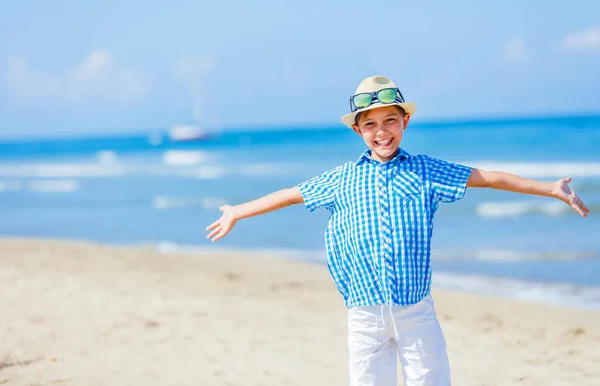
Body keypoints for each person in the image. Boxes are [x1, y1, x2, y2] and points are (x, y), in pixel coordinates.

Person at [206, 75, 590, 386]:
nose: (382, 131)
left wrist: (549, 188)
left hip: (415, 309)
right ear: (358, 131)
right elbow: (291, 194)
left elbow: (488, 178)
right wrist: (237, 211)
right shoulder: (342, 179)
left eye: (390, 120)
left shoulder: (426, 170)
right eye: (370, 124)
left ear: (405, 121)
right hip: (364, 312)